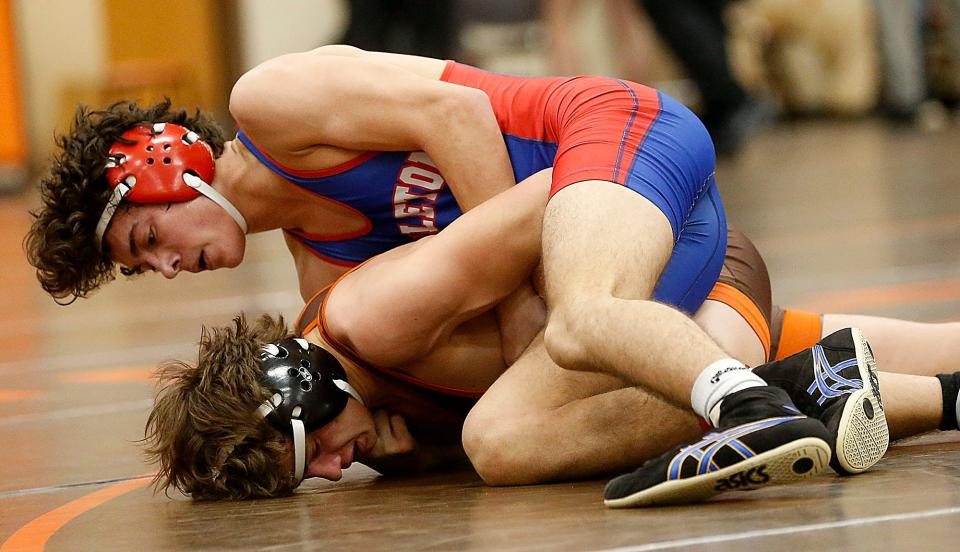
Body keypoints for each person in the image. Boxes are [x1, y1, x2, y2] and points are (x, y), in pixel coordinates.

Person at [25, 46, 880, 504]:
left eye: (147, 240)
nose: (169, 268)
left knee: (578, 321)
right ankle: (827, 387)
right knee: (506, 437)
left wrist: (523, 313)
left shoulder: (272, 104)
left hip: (606, 140)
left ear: (166, 166)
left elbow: (457, 109)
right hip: (617, 227)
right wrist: (419, 451)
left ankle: (756, 398)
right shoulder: (320, 270)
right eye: (146, 269)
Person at [144, 172, 959, 503]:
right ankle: (876, 386)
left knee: (501, 439)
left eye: (310, 446)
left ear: (307, 388)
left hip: (665, 260)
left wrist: (535, 332)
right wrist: (424, 454)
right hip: (678, 316)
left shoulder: (374, 313)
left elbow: (543, 201)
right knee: (937, 349)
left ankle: (797, 384)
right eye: (307, 476)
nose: (332, 469)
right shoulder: (380, 420)